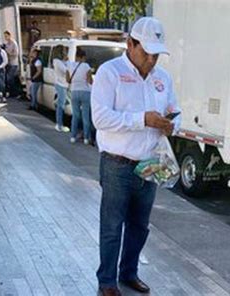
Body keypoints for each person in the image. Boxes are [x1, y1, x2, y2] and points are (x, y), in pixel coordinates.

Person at [91, 17, 181, 296]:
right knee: (112, 227)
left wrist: (171, 124)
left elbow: (175, 111)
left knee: (140, 227)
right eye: (146, 52)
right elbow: (100, 118)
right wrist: (142, 119)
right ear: (130, 44)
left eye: (156, 54)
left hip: (150, 164)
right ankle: (107, 280)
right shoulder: (110, 72)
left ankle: (128, 273)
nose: (151, 60)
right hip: (117, 164)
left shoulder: (162, 78)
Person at [67, 48, 93, 144]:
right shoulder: (86, 66)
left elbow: (67, 79)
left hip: (74, 91)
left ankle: (73, 137)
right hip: (85, 92)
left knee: (75, 116)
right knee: (85, 116)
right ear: (83, 57)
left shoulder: (70, 65)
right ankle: (86, 138)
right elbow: (90, 80)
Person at [53, 45, 70, 132]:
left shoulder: (61, 61)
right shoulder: (57, 62)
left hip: (64, 84)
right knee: (61, 106)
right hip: (61, 84)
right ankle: (59, 125)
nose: (65, 52)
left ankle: (56, 102)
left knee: (65, 102)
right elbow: (66, 70)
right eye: (64, 51)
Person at [3, 30, 20, 98]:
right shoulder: (7, 44)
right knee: (9, 79)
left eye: (6, 36)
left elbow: (16, 54)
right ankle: (12, 93)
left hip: (13, 63)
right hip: (8, 63)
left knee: (10, 78)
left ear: (9, 35)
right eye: (5, 36)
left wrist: (9, 54)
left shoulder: (14, 43)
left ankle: (15, 93)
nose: (5, 38)